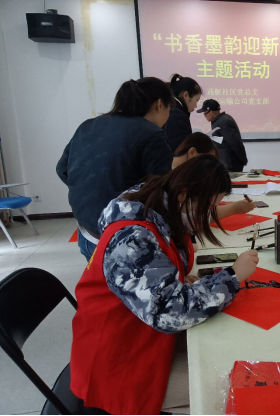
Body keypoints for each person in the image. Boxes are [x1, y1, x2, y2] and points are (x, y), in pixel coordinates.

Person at [70, 155, 259, 415]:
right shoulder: (133, 237)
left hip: (142, 337)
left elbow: (155, 277)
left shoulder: (156, 205)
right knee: (236, 390)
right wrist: (232, 277)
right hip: (118, 364)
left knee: (233, 350)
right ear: (183, 195)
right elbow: (170, 312)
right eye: (207, 207)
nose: (209, 215)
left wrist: (174, 277)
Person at [56, 77, 174, 261]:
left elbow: (62, 169)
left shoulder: (88, 125)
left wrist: (92, 191)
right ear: (160, 104)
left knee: (99, 279)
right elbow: (160, 193)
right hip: (123, 239)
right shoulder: (151, 134)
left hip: (87, 232)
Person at [173, 132, 256, 223]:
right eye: (206, 161)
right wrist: (233, 208)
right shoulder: (174, 179)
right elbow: (195, 216)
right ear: (192, 152)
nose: (209, 168)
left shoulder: (182, 173)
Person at [198, 99, 248, 172]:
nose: (204, 116)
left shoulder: (224, 122)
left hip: (230, 164)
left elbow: (235, 143)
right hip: (225, 163)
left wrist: (244, 160)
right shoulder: (218, 121)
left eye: (205, 113)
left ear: (211, 112)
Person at [165, 74, 203, 152]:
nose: (196, 106)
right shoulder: (177, 115)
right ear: (186, 95)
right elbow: (180, 150)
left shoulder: (171, 109)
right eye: (196, 100)